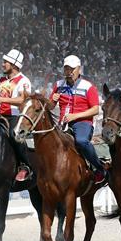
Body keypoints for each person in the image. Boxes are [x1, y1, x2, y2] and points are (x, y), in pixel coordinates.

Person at [50, 55, 105, 183]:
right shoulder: (58, 85)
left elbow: (96, 109)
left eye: (72, 69)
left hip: (83, 123)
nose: (69, 73)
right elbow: (50, 106)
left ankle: (100, 168)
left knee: (81, 141)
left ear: (79, 69)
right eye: (66, 69)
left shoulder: (88, 86)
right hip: (63, 123)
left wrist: (75, 116)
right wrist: (52, 100)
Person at [0, 49, 33, 182]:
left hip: (16, 116)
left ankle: (25, 165)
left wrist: (2, 100)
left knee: (14, 134)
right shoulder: (1, 80)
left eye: (6, 62)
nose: (3, 64)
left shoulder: (24, 81)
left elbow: (22, 100)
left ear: (14, 64)